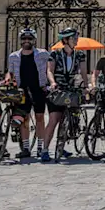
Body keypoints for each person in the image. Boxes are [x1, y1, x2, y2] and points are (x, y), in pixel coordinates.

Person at [40, 28, 90, 162]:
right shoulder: (55, 54)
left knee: (70, 118)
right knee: (54, 119)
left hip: (72, 89)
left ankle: (61, 144)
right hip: (58, 89)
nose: (76, 40)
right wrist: (53, 82)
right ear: (66, 40)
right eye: (74, 38)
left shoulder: (80, 55)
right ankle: (45, 149)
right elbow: (49, 70)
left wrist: (86, 86)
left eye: (76, 38)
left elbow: (84, 72)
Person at [2, 27, 50, 159]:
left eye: (29, 39)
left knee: (40, 118)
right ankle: (26, 148)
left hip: (38, 89)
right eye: (24, 39)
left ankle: (41, 147)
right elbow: (10, 71)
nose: (26, 41)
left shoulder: (42, 54)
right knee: (24, 119)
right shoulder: (14, 56)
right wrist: (7, 79)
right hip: (21, 90)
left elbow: (50, 68)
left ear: (34, 40)